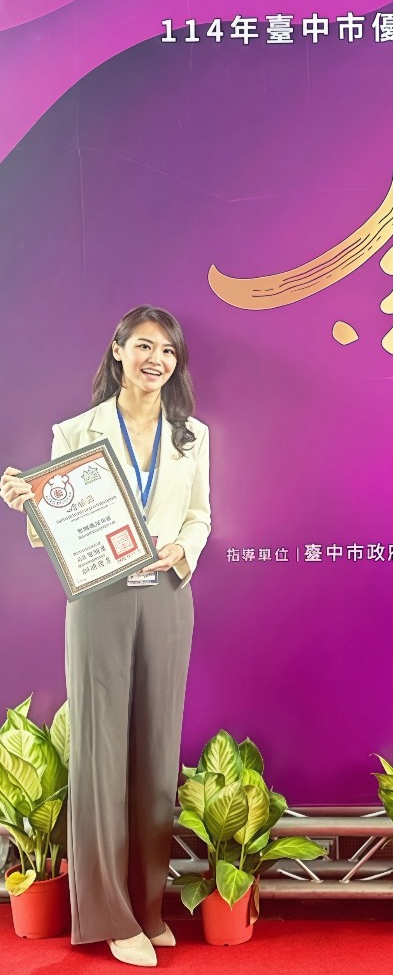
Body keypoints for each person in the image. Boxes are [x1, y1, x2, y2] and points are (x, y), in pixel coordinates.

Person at [1, 305, 210, 967]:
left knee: (156, 755)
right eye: (144, 346)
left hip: (168, 598)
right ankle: (109, 916)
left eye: (168, 351)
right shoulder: (76, 432)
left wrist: (182, 549)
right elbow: (56, 529)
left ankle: (147, 906)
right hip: (99, 600)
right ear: (118, 350)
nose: (156, 360)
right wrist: (29, 503)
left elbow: (201, 515)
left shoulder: (192, 435)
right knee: (100, 756)